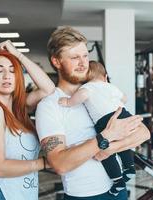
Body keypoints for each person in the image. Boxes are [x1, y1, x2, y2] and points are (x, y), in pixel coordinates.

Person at [35, 26, 150, 200]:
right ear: (56, 62)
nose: (83, 63)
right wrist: (105, 137)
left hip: (117, 191)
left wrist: (110, 148)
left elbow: (143, 133)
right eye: (74, 58)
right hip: (85, 196)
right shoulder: (49, 106)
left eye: (85, 56)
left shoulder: (100, 93)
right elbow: (59, 164)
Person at [0, 40, 55, 200]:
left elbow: (49, 89)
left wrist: (18, 55)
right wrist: (46, 163)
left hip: (23, 194)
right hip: (1, 194)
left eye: (12, 71)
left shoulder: (20, 107)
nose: (7, 76)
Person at [58, 60, 136, 196]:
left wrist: (68, 102)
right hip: (122, 113)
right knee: (122, 144)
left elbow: (81, 96)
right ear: (105, 76)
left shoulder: (87, 87)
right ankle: (129, 167)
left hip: (105, 120)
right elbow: (124, 98)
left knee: (103, 151)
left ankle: (118, 181)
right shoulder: (111, 86)